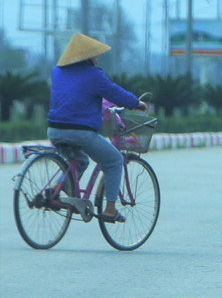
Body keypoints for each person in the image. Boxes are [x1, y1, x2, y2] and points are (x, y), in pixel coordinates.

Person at [47, 32, 147, 223]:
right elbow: (115, 93)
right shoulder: (94, 76)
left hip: (54, 130)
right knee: (115, 161)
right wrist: (136, 103)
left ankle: (56, 191)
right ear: (86, 57)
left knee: (81, 161)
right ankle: (110, 210)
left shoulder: (56, 72)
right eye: (94, 55)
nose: (97, 58)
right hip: (81, 133)